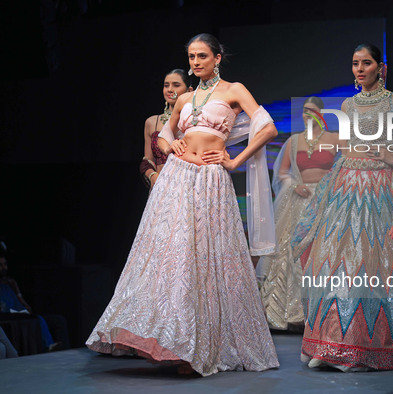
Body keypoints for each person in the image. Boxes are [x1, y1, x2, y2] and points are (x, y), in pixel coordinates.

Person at [86, 33, 279, 376]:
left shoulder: (234, 90)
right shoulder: (185, 97)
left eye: (202, 56)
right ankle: (173, 342)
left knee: (204, 257)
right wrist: (171, 144)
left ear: (217, 58)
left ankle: (198, 348)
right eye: (191, 57)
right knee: (171, 255)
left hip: (209, 180)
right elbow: (162, 134)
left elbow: (267, 127)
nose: (196, 62)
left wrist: (234, 161)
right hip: (176, 178)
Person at [292, 44, 393, 371]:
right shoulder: (349, 103)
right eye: (355, 64)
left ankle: (369, 346)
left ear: (381, 66)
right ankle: (333, 343)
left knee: (377, 262)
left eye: (366, 63)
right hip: (348, 187)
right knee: (338, 261)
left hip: (382, 187)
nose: (359, 69)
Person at [257, 97, 338, 331]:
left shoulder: (334, 139)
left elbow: (345, 165)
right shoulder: (294, 141)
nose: (307, 115)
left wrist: (330, 186)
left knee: (323, 251)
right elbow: (282, 172)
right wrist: (294, 185)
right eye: (305, 111)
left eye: (313, 111)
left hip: (326, 199)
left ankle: (324, 313)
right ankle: (291, 313)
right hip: (300, 197)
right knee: (290, 251)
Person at [139, 69, 192, 190]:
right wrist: (153, 176)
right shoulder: (152, 122)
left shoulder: (194, 121)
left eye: (176, 85)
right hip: (160, 187)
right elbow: (147, 161)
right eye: (166, 85)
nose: (169, 90)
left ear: (189, 90)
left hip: (186, 186)